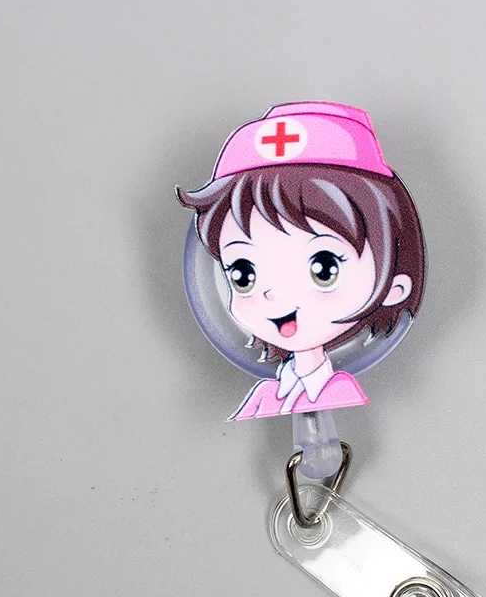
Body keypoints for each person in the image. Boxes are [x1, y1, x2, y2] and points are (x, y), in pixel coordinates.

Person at [177, 101, 426, 420]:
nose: (273, 295)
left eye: (324, 269)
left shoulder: (338, 390)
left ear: (394, 286)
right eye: (243, 274)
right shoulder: (266, 395)